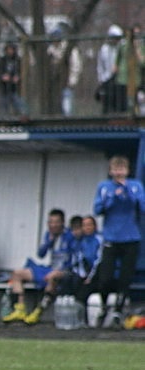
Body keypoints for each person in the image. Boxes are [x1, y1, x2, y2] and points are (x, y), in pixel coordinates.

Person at [92, 155, 145, 327]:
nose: (118, 173)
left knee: (125, 277)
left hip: (131, 237)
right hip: (111, 237)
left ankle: (118, 310)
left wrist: (128, 193)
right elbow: (98, 208)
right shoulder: (104, 186)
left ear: (127, 171)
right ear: (110, 171)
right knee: (105, 277)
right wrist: (113, 197)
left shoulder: (136, 185)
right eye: (115, 169)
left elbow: (142, 206)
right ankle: (103, 306)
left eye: (121, 169)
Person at [2, 208, 74, 325]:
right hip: (50, 268)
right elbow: (41, 254)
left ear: (62, 222)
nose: (53, 225)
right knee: (17, 273)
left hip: (65, 272)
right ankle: (20, 309)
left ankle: (38, 311)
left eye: (56, 222)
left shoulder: (70, 236)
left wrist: (60, 271)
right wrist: (48, 242)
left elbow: (74, 260)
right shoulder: (49, 235)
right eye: (50, 222)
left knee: (53, 277)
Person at [96, 25, 124, 114]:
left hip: (119, 80)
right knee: (108, 106)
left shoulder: (121, 48)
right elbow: (100, 66)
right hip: (107, 80)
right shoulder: (104, 49)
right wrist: (101, 80)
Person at [0, 42, 26, 116]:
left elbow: (22, 72)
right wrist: (2, 77)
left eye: (12, 49)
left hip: (16, 89)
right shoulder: (1, 61)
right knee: (3, 110)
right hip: (4, 89)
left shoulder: (18, 60)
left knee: (20, 107)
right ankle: (4, 123)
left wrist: (18, 77)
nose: (10, 51)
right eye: (8, 49)